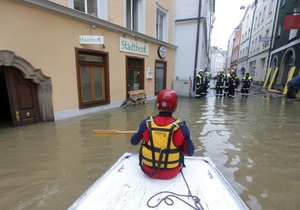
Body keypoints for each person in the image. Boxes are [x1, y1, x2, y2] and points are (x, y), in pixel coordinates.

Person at [130, 89, 195, 179]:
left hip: (148, 170)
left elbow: (133, 141)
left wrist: (140, 132)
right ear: (175, 106)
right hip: (171, 173)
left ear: (158, 104)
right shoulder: (182, 127)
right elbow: (190, 152)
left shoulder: (146, 123)